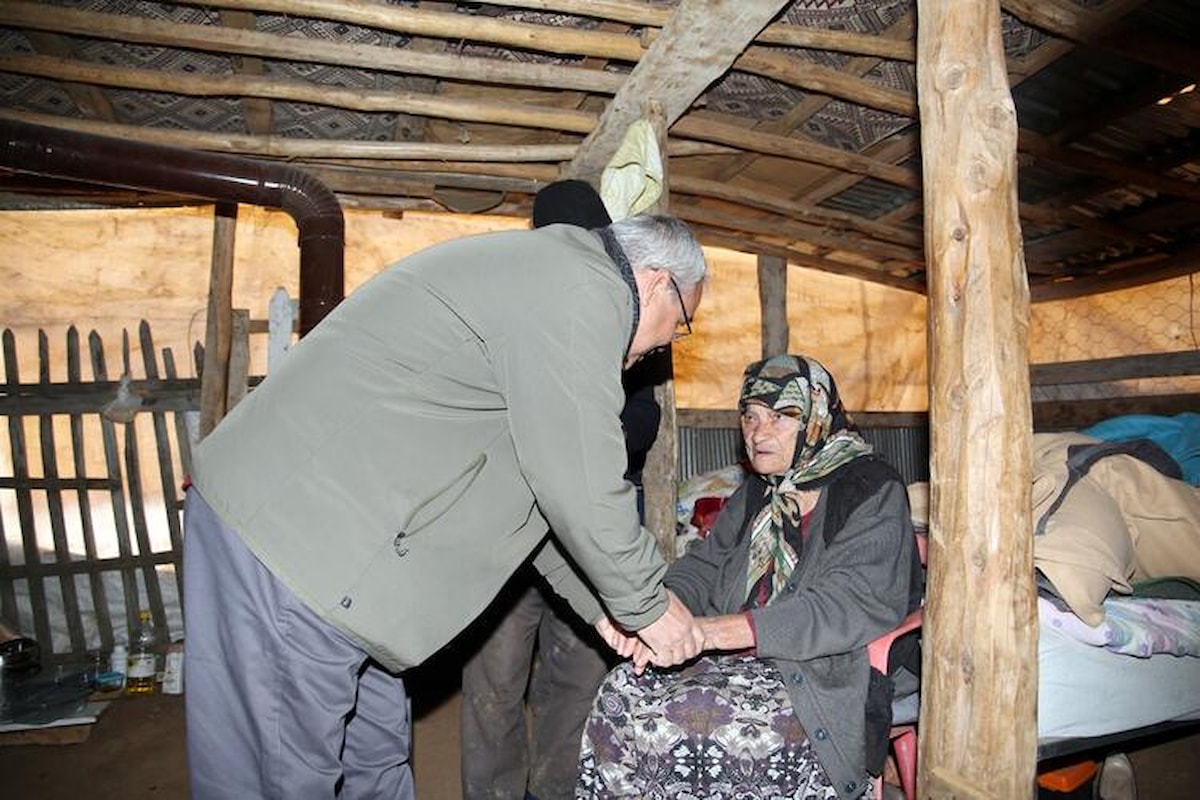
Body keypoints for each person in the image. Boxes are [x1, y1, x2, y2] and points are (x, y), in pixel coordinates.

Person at [182, 211, 709, 799]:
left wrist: (603, 609)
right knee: (280, 777)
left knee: (376, 761)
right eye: (679, 324)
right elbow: (582, 478)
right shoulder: (582, 289)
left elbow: (540, 502)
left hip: (352, 567)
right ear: (657, 282)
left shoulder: (551, 289)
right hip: (291, 544)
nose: (666, 344)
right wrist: (648, 604)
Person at [576, 354, 922, 800]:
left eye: (780, 417)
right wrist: (657, 616)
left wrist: (712, 632)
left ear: (816, 416)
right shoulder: (761, 490)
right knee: (621, 693)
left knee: (687, 722)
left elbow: (845, 606)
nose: (758, 432)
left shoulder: (870, 489)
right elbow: (704, 566)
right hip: (746, 662)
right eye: (751, 416)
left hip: (827, 671)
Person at [460, 180, 663, 800]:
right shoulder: (520, 307)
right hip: (513, 524)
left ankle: (558, 792)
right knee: (495, 678)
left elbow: (645, 415)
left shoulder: (630, 309)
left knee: (576, 679)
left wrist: (591, 440)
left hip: (596, 524)